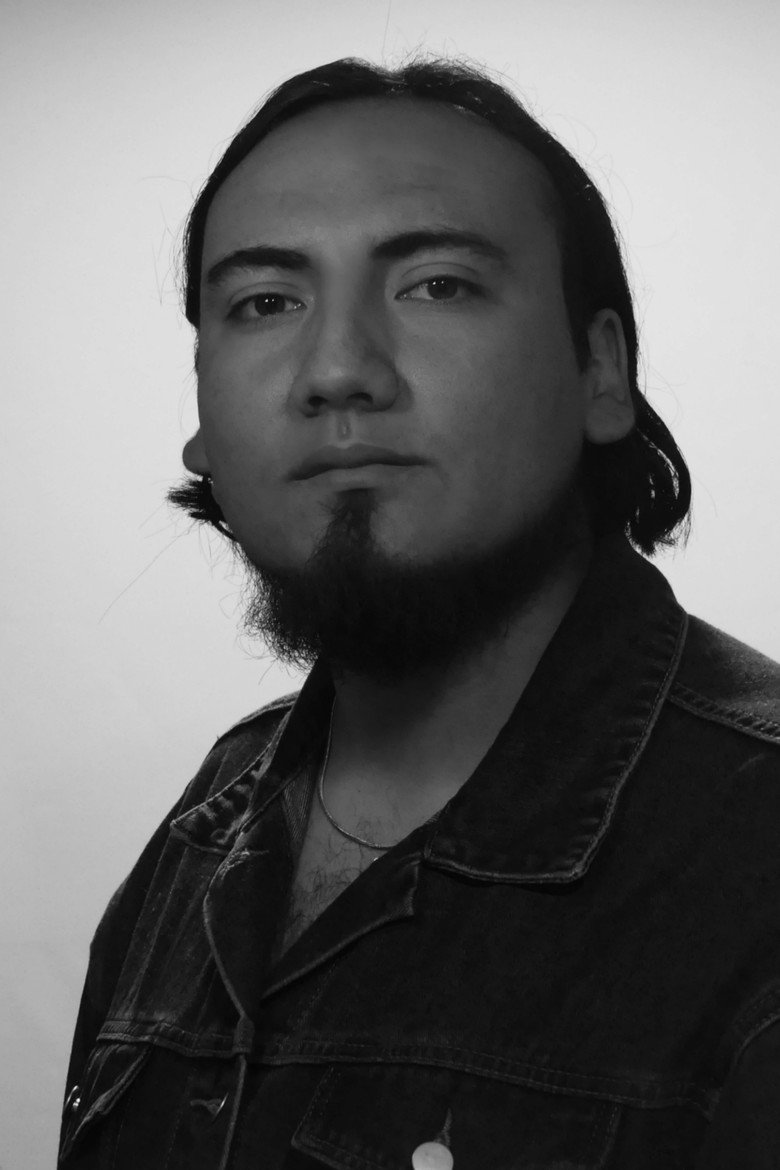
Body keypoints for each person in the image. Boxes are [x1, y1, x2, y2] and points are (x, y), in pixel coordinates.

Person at [59, 55, 780, 1169]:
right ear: (200, 412)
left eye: (437, 285)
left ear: (601, 370)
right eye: (265, 303)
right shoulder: (203, 831)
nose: (339, 369)